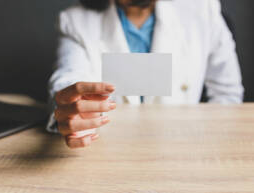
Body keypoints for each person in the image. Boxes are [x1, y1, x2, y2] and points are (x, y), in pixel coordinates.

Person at [47, 0, 244, 148]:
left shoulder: (203, 10)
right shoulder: (76, 20)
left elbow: (227, 93)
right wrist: (69, 106)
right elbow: (70, 76)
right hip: (110, 151)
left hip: (183, 148)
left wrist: (205, 144)